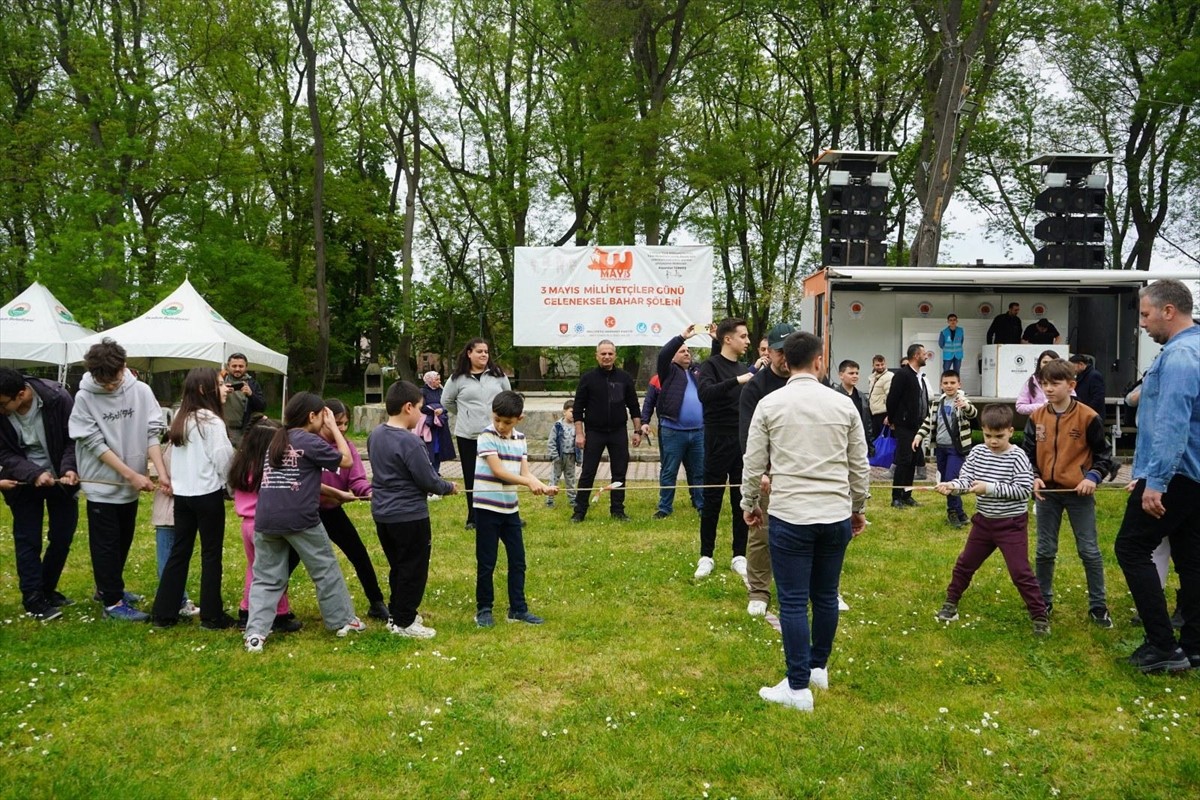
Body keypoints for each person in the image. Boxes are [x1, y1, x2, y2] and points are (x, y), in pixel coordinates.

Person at [741, 331, 869, 712]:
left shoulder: (769, 403)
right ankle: (816, 669)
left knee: (795, 600)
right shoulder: (843, 404)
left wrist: (749, 502)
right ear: (819, 361)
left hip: (791, 515)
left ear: (783, 360)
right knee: (825, 595)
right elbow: (858, 465)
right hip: (833, 514)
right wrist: (858, 506)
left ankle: (799, 687)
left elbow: (753, 462)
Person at [1114, 279, 1199, 673]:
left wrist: (1156, 480)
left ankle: (1163, 646)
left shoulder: (1181, 356)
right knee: (1190, 557)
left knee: (1131, 547)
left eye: (1146, 314)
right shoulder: (1192, 348)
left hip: (1177, 473)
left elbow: (1171, 423)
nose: (1142, 324)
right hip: (1191, 474)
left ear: (1169, 310)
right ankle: (1195, 645)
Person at [243, 393, 366, 653]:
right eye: (324, 415)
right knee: (325, 570)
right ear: (312, 416)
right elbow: (346, 460)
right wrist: (334, 428)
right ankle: (343, 621)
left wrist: (337, 494)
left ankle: (255, 634)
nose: (326, 421)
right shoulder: (308, 441)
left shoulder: (277, 437)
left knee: (266, 577)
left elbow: (297, 477)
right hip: (301, 518)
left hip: (266, 519)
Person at [69, 338, 170, 622]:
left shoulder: (141, 391)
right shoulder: (84, 396)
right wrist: (131, 475)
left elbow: (152, 433)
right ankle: (112, 603)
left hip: (132, 483)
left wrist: (159, 472)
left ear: (124, 367)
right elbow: (94, 442)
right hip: (102, 484)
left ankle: (109, 588)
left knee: (123, 539)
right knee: (106, 543)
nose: (110, 386)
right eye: (103, 382)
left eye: (113, 380)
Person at [934, 404, 1049, 635]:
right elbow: (966, 480)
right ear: (983, 431)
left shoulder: (1018, 456)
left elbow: (1024, 490)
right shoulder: (977, 452)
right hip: (984, 522)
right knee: (965, 564)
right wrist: (953, 486)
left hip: (1011, 525)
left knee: (1020, 572)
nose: (993, 441)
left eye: (999, 436)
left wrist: (990, 488)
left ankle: (1039, 616)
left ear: (1010, 431)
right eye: (988, 436)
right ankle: (950, 603)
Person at [1021, 358, 1114, 628]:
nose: (1049, 389)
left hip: (1078, 493)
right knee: (1044, 550)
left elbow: (1104, 455)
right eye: (1045, 383)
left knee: (1089, 550)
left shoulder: (1088, 417)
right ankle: (1043, 601)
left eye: (1055, 383)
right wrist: (1034, 477)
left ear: (1071, 385)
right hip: (1046, 494)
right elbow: (1028, 453)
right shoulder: (1036, 417)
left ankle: (1098, 605)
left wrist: (1093, 477)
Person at [367, 380, 458, 639]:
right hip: (409, 516)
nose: (422, 414)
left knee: (399, 566)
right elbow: (428, 480)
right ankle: (405, 623)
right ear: (408, 407)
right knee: (413, 569)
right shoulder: (410, 442)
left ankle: (397, 615)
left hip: (383, 515)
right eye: (420, 408)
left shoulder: (375, 435)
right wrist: (448, 487)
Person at [151, 368, 237, 629]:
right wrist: (232, 488)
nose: (225, 389)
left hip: (184, 496)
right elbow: (223, 459)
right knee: (211, 555)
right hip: (206, 495)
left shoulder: (181, 417)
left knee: (180, 552)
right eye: (220, 384)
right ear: (203, 389)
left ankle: (164, 613)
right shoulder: (211, 421)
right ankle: (212, 616)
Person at [0, 368, 80, 621]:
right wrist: (33, 473)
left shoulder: (57, 398)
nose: (0, 409)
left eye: (4, 404)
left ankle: (47, 589)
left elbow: (73, 439)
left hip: (60, 480)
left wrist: (68, 468)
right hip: (22, 482)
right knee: (28, 540)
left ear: (21, 394)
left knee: (62, 536)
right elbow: (3, 453)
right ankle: (33, 598)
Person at [472, 390, 554, 627]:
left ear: (519, 419)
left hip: (510, 510)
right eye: (496, 419)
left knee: (518, 560)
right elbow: (498, 472)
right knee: (487, 561)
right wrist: (528, 482)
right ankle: (484, 609)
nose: (500, 425)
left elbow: (524, 472)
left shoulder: (520, 439)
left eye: (506, 422)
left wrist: (540, 485)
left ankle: (517, 609)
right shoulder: (486, 436)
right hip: (487, 508)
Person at [739, 323, 794, 617]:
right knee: (762, 533)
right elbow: (747, 435)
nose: (784, 357)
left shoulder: (808, 383)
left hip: (799, 470)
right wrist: (759, 473)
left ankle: (821, 588)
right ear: (769, 352)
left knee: (809, 531)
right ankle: (759, 590)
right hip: (768, 472)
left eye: (789, 351)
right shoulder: (755, 387)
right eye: (779, 352)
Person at [318, 399, 390, 622]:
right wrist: (336, 493)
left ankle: (376, 602)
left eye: (345, 424)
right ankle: (274, 608)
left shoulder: (347, 448)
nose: (341, 429)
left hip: (332, 512)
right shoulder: (310, 444)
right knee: (289, 560)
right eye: (337, 424)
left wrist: (369, 491)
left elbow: (357, 479)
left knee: (359, 554)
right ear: (322, 420)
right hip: (307, 513)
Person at [229, 415, 300, 633]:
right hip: (266, 526)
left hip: (247, 526)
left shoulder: (242, 466)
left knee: (255, 569)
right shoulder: (268, 471)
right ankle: (277, 613)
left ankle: (248, 610)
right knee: (273, 572)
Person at [694, 318, 752, 579]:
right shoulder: (710, 366)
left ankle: (739, 555)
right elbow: (705, 394)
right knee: (712, 500)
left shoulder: (743, 368)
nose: (748, 341)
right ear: (727, 339)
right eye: (743, 336)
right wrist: (738, 381)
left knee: (742, 500)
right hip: (716, 440)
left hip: (740, 441)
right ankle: (706, 556)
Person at [443, 338, 511, 530]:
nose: (483, 355)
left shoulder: (498, 375)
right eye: (479, 351)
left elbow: (508, 398)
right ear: (469, 353)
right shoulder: (457, 378)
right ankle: (473, 517)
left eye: (486, 352)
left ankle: (505, 513)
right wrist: (466, 414)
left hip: (496, 434)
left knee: (502, 474)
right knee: (472, 476)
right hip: (468, 435)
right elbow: (446, 401)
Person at [570, 340, 641, 523]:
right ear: (597, 356)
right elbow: (578, 409)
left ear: (615, 356)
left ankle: (617, 510)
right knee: (588, 472)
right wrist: (579, 433)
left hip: (618, 432)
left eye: (610, 354)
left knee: (619, 472)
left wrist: (637, 431)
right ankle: (579, 511)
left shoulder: (625, 378)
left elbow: (634, 406)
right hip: (594, 432)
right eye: (603, 354)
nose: (607, 357)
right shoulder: (587, 378)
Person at [640, 327, 705, 520]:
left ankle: (700, 504)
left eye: (688, 350)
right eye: (682, 351)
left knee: (699, 471)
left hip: (698, 432)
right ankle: (665, 507)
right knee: (669, 470)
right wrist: (682, 337)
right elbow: (663, 354)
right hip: (673, 431)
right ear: (673, 357)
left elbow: (717, 360)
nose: (687, 353)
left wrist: (715, 340)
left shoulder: (698, 372)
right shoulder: (667, 372)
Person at [912, 369, 977, 528]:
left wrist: (965, 406)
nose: (949, 386)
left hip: (956, 449)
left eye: (952, 383)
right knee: (945, 481)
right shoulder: (936, 403)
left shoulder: (962, 401)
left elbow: (973, 413)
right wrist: (919, 436)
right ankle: (960, 512)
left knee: (950, 481)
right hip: (940, 448)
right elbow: (928, 422)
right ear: (941, 385)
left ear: (959, 384)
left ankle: (952, 512)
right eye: (946, 383)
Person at [150, 443, 199, 618]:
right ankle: (176, 601)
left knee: (170, 558)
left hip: (175, 511)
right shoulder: (176, 446)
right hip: (168, 512)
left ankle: (176, 599)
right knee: (169, 561)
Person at [885, 344, 929, 508]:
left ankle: (907, 494)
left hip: (917, 425)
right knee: (903, 460)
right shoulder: (903, 375)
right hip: (904, 425)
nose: (926, 356)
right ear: (916, 355)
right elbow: (892, 399)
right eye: (924, 353)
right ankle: (896, 497)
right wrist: (892, 419)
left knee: (912, 461)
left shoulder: (920, 376)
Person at [831, 360, 874, 458]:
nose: (855, 376)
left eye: (857, 373)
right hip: (839, 443)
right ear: (841, 375)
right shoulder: (834, 395)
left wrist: (870, 445)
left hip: (858, 442)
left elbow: (867, 423)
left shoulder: (862, 397)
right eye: (851, 373)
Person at [221, 353, 266, 447]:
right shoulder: (220, 381)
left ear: (246, 367)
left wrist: (251, 395)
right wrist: (220, 390)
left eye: (241, 366)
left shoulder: (252, 384)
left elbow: (262, 407)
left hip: (244, 431)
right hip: (223, 429)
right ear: (228, 366)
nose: (237, 369)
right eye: (234, 366)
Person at [420, 371, 455, 475]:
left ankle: (436, 472)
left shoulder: (441, 390)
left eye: (439, 379)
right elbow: (422, 407)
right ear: (430, 380)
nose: (439, 381)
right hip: (429, 426)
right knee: (429, 449)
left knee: (439, 450)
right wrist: (434, 409)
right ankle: (428, 472)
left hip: (441, 425)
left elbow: (447, 404)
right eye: (436, 379)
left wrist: (442, 410)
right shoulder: (423, 392)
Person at [546, 400, 580, 508]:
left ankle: (572, 499)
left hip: (571, 456)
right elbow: (551, 442)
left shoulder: (577, 427)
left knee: (570, 479)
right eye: (571, 411)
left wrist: (580, 458)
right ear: (564, 412)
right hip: (559, 457)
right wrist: (555, 455)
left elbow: (580, 444)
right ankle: (549, 500)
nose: (573, 414)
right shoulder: (558, 426)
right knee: (554, 478)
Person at [1014, 350, 1062, 415]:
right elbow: (1020, 407)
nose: (1048, 365)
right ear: (1039, 364)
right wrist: (1043, 406)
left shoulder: (1064, 380)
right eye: (1045, 362)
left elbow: (1072, 401)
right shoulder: (1032, 381)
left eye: (1051, 362)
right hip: (1038, 421)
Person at [866, 355, 892, 437]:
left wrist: (889, 416)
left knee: (884, 441)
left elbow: (891, 397)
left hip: (884, 414)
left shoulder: (888, 377)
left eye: (882, 364)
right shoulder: (873, 377)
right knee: (875, 440)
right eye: (877, 365)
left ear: (886, 364)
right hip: (874, 414)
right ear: (873, 365)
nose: (880, 367)